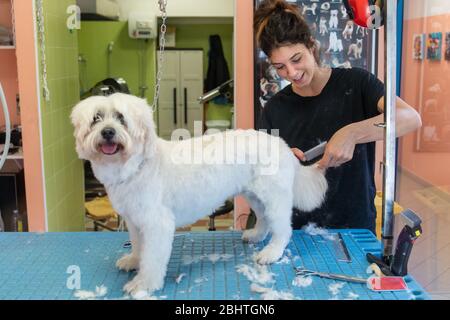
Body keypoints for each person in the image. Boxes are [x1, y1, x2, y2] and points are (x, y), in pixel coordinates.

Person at [254, 0, 422, 234]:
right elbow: (261, 169)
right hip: (298, 232)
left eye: (296, 59)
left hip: (353, 227)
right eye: (280, 67)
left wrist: (351, 133)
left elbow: (409, 118)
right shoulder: (273, 108)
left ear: (311, 46)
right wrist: (282, 163)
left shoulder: (358, 83)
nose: (291, 73)